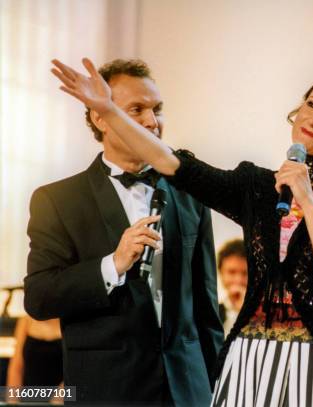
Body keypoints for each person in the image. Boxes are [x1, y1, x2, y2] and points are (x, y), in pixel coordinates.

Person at [50, 53, 313, 406]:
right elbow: (174, 163)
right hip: (246, 356)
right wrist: (108, 111)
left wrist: (307, 200)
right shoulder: (255, 186)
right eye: (311, 104)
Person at [25, 59, 223, 405]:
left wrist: (215, 384)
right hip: (108, 389)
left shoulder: (191, 193)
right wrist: (112, 264)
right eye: (137, 109)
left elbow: (206, 306)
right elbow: (39, 298)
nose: (152, 121)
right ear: (100, 117)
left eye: (157, 109)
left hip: (187, 389)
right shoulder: (58, 200)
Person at [6, 316, 62, 403]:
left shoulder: (71, 323)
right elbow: (16, 367)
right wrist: (13, 401)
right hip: (27, 396)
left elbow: (76, 369)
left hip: (61, 398)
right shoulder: (25, 321)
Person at [216, 239, 248, 336]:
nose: (238, 280)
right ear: (221, 273)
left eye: (245, 273)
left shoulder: (264, 316)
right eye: (232, 272)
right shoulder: (211, 313)